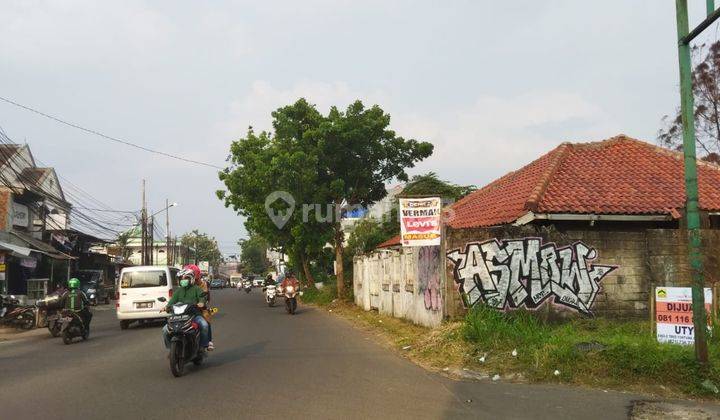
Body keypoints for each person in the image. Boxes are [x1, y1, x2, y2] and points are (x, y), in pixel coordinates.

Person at [161, 268, 212, 351]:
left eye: (185, 278)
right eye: (181, 278)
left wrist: (201, 302)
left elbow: (202, 297)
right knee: (165, 330)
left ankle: (203, 346)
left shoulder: (197, 289)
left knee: (204, 325)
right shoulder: (178, 291)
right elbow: (172, 301)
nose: (183, 280)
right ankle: (170, 349)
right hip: (178, 317)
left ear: (191, 278)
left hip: (194, 315)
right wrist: (166, 307)